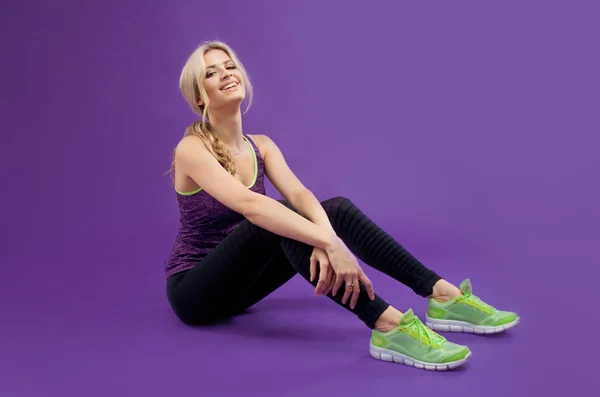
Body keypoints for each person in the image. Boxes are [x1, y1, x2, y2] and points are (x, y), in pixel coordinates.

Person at [164, 40, 519, 371]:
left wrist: (325, 236)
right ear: (199, 95)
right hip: (197, 292)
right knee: (273, 217)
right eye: (212, 72)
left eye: (230, 66)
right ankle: (389, 325)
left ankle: (443, 295)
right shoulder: (192, 149)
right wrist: (331, 244)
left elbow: (303, 196)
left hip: (245, 287)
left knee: (331, 207)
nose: (226, 73)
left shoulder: (263, 146)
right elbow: (251, 206)